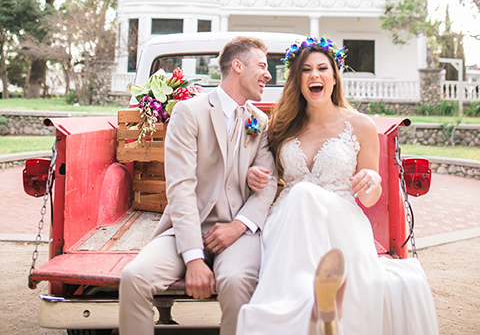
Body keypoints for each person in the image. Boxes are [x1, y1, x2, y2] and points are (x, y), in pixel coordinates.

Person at [236, 37, 439, 335]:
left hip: (340, 221)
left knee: (305, 193)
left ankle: (308, 302)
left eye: (322, 68)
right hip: (288, 221)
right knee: (301, 194)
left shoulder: (360, 125)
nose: (314, 75)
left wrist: (372, 182)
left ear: (334, 76)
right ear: (298, 79)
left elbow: (370, 197)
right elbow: (262, 168)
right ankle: (312, 301)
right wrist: (253, 173)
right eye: (306, 70)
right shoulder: (280, 124)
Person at [119, 35, 278, 335]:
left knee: (236, 281)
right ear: (237, 66)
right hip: (186, 229)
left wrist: (239, 225)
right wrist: (193, 257)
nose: (268, 75)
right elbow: (180, 187)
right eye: (262, 66)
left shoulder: (260, 121)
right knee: (134, 277)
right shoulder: (190, 112)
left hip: (237, 231)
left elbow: (267, 186)